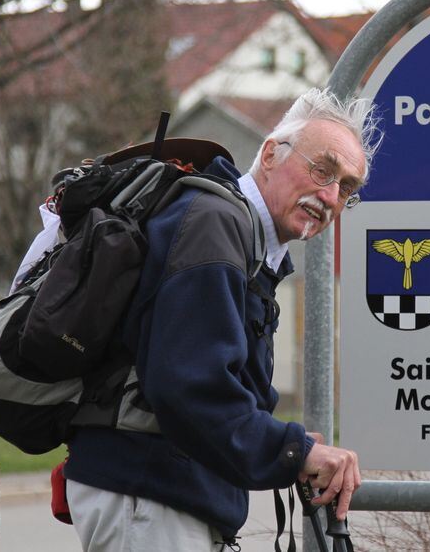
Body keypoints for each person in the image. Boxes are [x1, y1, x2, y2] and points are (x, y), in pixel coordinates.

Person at [63, 88, 382, 551]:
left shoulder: (245, 241)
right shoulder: (215, 225)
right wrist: (294, 452)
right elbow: (191, 388)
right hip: (151, 495)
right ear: (271, 153)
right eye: (322, 169)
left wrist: (285, 443)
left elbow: (215, 387)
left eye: (347, 188)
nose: (330, 196)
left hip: (159, 495)